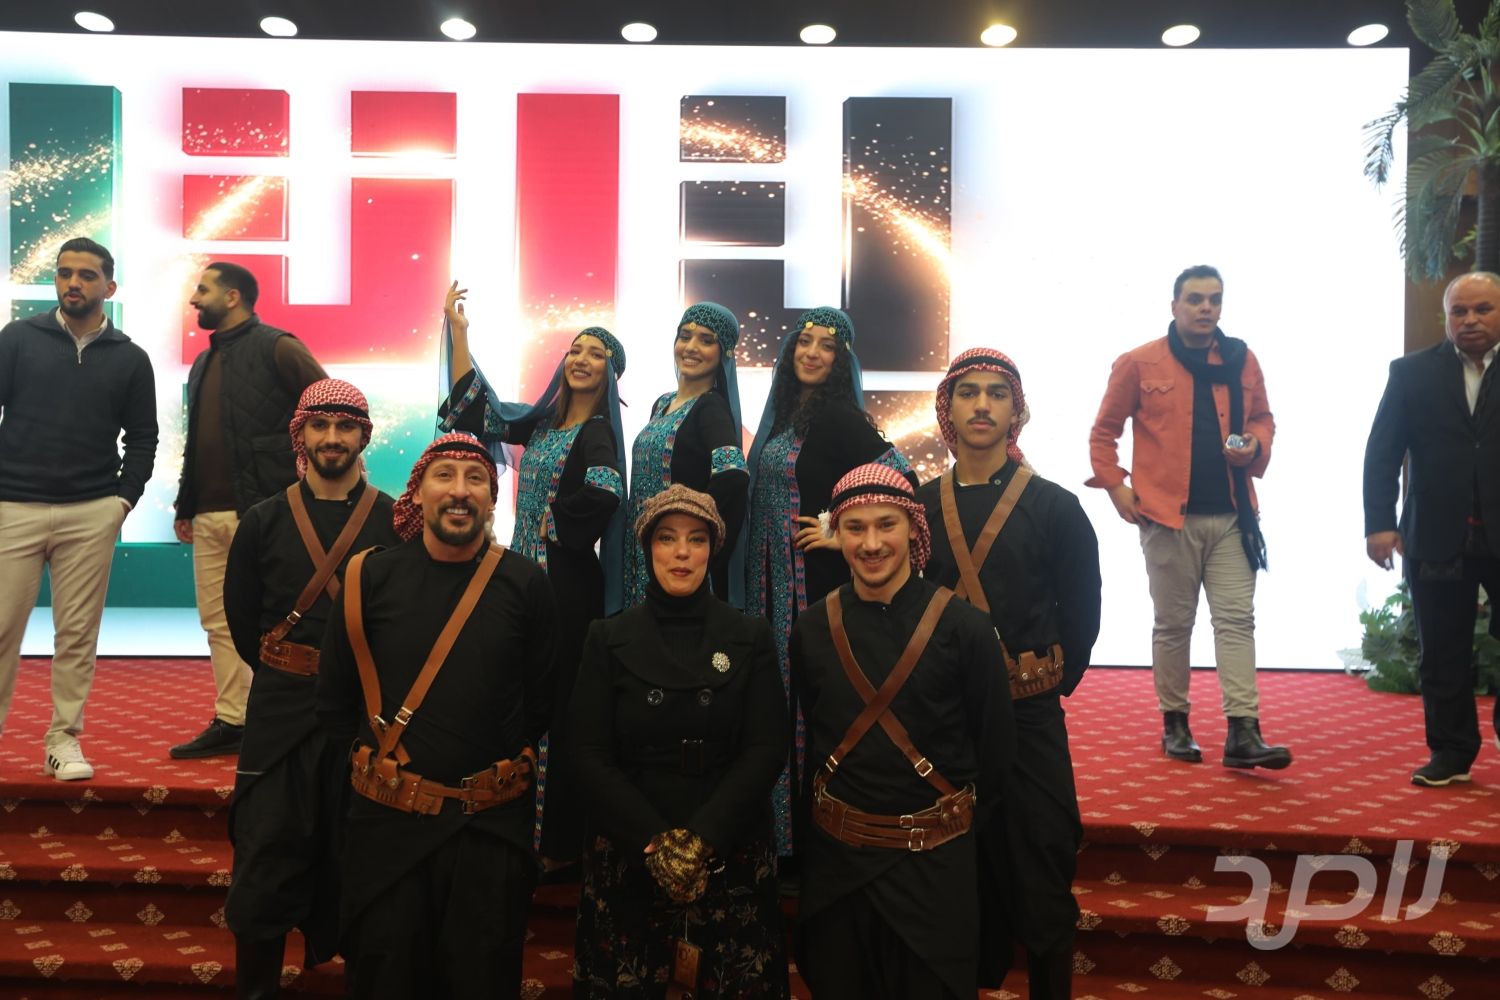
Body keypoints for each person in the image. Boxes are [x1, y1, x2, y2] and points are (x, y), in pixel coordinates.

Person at [316, 432, 558, 998]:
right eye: (444, 475)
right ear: (418, 492)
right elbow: (334, 703)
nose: (460, 491)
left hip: (489, 834)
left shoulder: (526, 583)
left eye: (476, 479)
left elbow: (541, 703)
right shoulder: (368, 577)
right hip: (386, 832)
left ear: (492, 500)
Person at [916, 349, 1101, 1000]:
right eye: (968, 392)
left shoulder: (1054, 507)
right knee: (953, 875)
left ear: (1016, 411)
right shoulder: (919, 506)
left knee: (1043, 855)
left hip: (1029, 720)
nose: (982, 405)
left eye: (997, 394)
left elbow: (1082, 613)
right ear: (949, 408)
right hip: (944, 723)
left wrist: (1039, 683)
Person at [791, 463, 1012, 1000]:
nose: (871, 544)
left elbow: (996, 756)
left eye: (886, 524)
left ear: (913, 527)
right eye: (855, 527)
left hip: (934, 874)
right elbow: (813, 744)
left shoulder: (966, 628)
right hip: (840, 869)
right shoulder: (812, 628)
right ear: (837, 533)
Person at [569, 484, 789, 999]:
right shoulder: (607, 637)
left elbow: (766, 747)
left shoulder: (751, 634)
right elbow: (587, 752)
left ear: (713, 548)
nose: (682, 553)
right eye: (667, 538)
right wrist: (655, 843)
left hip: (728, 847)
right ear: (648, 547)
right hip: (633, 848)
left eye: (696, 539)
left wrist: (702, 839)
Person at [221, 379, 401, 998]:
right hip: (280, 715)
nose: (332, 437)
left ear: (362, 436)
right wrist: (292, 669)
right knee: (266, 851)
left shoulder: (394, 520)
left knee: (361, 857)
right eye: (320, 425)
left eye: (345, 426)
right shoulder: (263, 520)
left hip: (363, 716)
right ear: (301, 435)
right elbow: (243, 621)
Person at [438, 281, 626, 864]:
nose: (582, 359)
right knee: (517, 697)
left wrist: (550, 523)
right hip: (524, 579)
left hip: (566, 587)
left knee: (557, 706)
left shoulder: (597, 432)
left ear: (612, 374)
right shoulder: (543, 426)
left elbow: (607, 490)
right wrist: (460, 334)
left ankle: (558, 843)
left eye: (597, 354)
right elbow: (478, 410)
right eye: (576, 349)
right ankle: (518, 826)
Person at [1087, 264, 1290, 770]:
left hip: (1234, 516)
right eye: (1196, 299)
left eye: (1214, 299)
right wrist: (1116, 486)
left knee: (1237, 621)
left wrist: (1254, 443)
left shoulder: (1242, 359)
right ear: (1174, 305)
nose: (1206, 308)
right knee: (1174, 625)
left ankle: (1243, 731)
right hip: (1166, 517)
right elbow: (1103, 432)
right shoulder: (1139, 362)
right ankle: (1175, 723)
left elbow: (1263, 418)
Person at [744, 306, 915, 854]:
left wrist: (844, 535)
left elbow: (902, 479)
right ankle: (773, 838)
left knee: (809, 704)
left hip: (810, 588)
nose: (812, 353)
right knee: (771, 701)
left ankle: (806, 841)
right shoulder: (784, 416)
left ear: (841, 360)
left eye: (827, 346)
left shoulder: (839, 418)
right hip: (766, 589)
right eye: (804, 342)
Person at [0, 237, 157, 781]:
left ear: (109, 287)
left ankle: (62, 739)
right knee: (1, 628)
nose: (73, 283)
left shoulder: (131, 358)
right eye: (65, 273)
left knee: (77, 636)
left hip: (91, 511)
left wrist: (121, 502)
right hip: (13, 507)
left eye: (86, 275)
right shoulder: (17, 339)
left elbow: (143, 438)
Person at [172, 262, 327, 760]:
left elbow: (331, 411)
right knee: (217, 622)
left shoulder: (279, 346)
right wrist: (186, 504)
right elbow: (198, 440)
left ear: (233, 296)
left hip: (267, 511)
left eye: (203, 289)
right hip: (208, 515)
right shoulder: (203, 362)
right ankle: (233, 720)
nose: (194, 299)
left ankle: (285, 719)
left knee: (281, 619)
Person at [1364, 271, 1500, 787]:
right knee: (1442, 651)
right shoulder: (1411, 372)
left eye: (1483, 309)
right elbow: (1382, 452)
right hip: (1438, 535)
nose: (1470, 320)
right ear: (1446, 317)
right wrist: (1379, 523)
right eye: (1458, 311)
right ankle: (1451, 752)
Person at [622, 303, 749, 607]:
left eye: (706, 340)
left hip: (678, 555)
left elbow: (733, 474)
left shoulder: (710, 407)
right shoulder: (662, 403)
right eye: (685, 336)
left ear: (724, 352)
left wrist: (690, 525)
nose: (691, 347)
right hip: (646, 549)